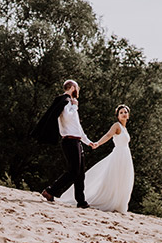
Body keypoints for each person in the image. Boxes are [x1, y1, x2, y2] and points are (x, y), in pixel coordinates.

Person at [56, 104, 134, 213]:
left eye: (125, 112)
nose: (124, 114)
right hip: (119, 155)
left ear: (128, 115)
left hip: (126, 155)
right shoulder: (117, 126)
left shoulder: (125, 128)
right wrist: (97, 144)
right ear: (117, 116)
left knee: (123, 179)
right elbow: (108, 135)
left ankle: (119, 203)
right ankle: (107, 201)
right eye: (121, 113)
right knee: (115, 178)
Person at [31, 79, 96, 208]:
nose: (78, 91)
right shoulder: (65, 101)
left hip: (76, 141)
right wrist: (75, 106)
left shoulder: (70, 103)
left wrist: (88, 142)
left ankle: (81, 201)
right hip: (69, 141)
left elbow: (77, 127)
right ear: (72, 88)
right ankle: (50, 191)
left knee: (80, 173)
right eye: (76, 88)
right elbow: (67, 117)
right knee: (73, 171)